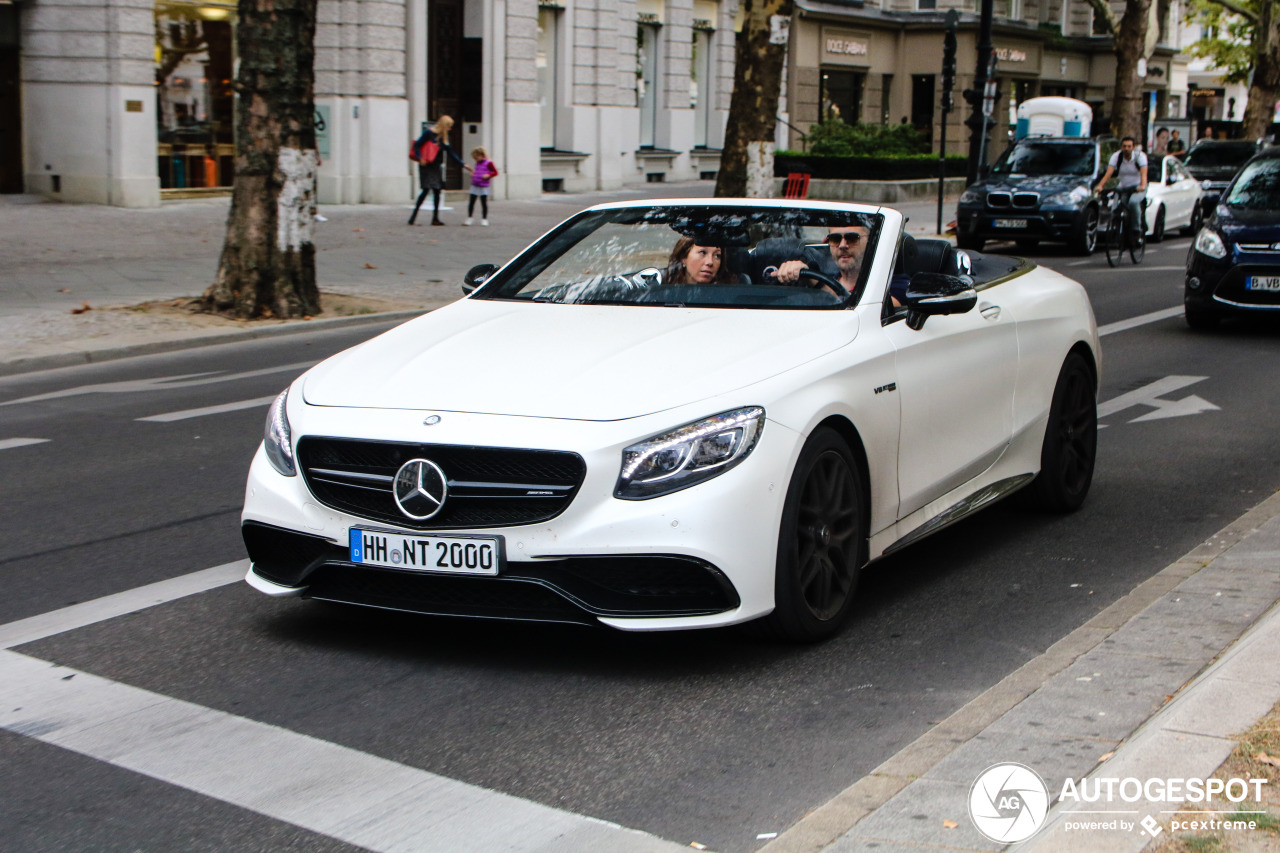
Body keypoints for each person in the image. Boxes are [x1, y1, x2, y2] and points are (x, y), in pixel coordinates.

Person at [409, 116, 469, 226]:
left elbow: (451, 153)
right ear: (443, 125)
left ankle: (435, 218)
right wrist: (420, 157)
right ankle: (413, 216)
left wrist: (463, 164)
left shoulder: (443, 138)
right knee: (426, 189)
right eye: (449, 126)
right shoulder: (429, 133)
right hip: (426, 165)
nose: (450, 129)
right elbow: (417, 145)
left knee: (437, 191)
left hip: (436, 166)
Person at [1095, 136, 1149, 237]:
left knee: (1133, 203)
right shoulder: (1117, 157)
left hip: (1137, 188)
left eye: (1129, 146)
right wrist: (1100, 186)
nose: (1126, 149)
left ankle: (1136, 230)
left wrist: (1142, 186)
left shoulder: (1140, 157)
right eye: (1124, 146)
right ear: (1121, 147)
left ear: (1133, 147)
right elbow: (1108, 173)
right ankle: (1117, 228)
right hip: (1123, 187)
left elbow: (1144, 174)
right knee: (1117, 206)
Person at [665, 237, 737, 284]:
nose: (710, 262)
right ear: (683, 257)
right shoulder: (664, 290)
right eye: (702, 252)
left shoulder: (729, 295)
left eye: (717, 255)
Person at [464, 147, 498, 226]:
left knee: (483, 202)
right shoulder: (477, 163)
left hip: (483, 186)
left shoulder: (489, 163)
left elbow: (495, 172)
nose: (476, 160)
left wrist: (489, 175)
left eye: (476, 157)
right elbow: (477, 171)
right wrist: (473, 174)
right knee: (471, 202)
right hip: (475, 184)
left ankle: (484, 218)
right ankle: (469, 217)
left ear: (481, 155)